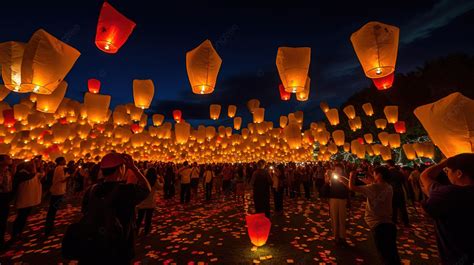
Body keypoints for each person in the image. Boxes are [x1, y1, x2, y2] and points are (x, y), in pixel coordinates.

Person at [79, 152, 151, 264]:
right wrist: (134, 168)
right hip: (120, 244)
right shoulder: (126, 190)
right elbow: (147, 189)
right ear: (120, 169)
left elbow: (84, 211)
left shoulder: (91, 190)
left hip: (94, 243)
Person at [420, 153, 474, 265]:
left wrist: (445, 162)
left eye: (448, 170)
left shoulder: (447, 194)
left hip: (457, 256)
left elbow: (425, 176)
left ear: (459, 173)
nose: (447, 173)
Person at [345, 166, 401, 265]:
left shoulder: (373, 187)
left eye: (375, 174)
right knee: (393, 254)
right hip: (389, 224)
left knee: (384, 256)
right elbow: (373, 184)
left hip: (378, 225)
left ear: (379, 175)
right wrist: (370, 176)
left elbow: (352, 187)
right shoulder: (389, 187)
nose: (373, 176)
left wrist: (351, 175)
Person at [10, 159, 43, 244]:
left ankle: (19, 233)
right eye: (32, 165)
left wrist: (40, 167)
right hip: (23, 199)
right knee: (20, 217)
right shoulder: (22, 173)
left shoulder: (31, 173)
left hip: (29, 200)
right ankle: (14, 235)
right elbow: (32, 175)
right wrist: (34, 166)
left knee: (24, 218)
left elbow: (41, 175)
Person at [321, 163, 350, 247]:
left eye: (339, 169)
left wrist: (343, 181)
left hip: (342, 200)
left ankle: (342, 237)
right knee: (334, 218)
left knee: (342, 219)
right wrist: (327, 182)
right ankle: (336, 237)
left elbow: (349, 188)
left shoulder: (344, 178)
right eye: (336, 169)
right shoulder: (330, 178)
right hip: (333, 199)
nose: (337, 171)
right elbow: (325, 189)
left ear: (342, 170)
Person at [44, 157, 69, 236]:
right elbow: (62, 179)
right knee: (53, 209)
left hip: (57, 191)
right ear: (61, 161)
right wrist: (68, 176)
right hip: (58, 191)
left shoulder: (58, 168)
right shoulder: (60, 168)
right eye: (64, 160)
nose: (65, 161)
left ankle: (50, 224)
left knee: (53, 209)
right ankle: (49, 227)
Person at [136, 167, 161, 236]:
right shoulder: (155, 181)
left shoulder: (144, 180)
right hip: (150, 202)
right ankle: (146, 232)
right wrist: (161, 180)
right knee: (148, 218)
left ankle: (136, 231)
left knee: (140, 218)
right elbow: (160, 187)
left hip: (143, 201)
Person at [386, 160, 409, 227]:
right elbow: (404, 182)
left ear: (388, 164)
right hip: (400, 190)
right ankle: (405, 221)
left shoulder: (388, 172)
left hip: (392, 190)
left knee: (393, 206)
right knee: (402, 206)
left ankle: (394, 220)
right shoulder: (399, 172)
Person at [0, 155, 14, 249]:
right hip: (1, 197)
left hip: (6, 197)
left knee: (3, 219)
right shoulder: (1, 171)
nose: (10, 159)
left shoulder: (7, 170)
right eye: (7, 158)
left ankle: (2, 240)